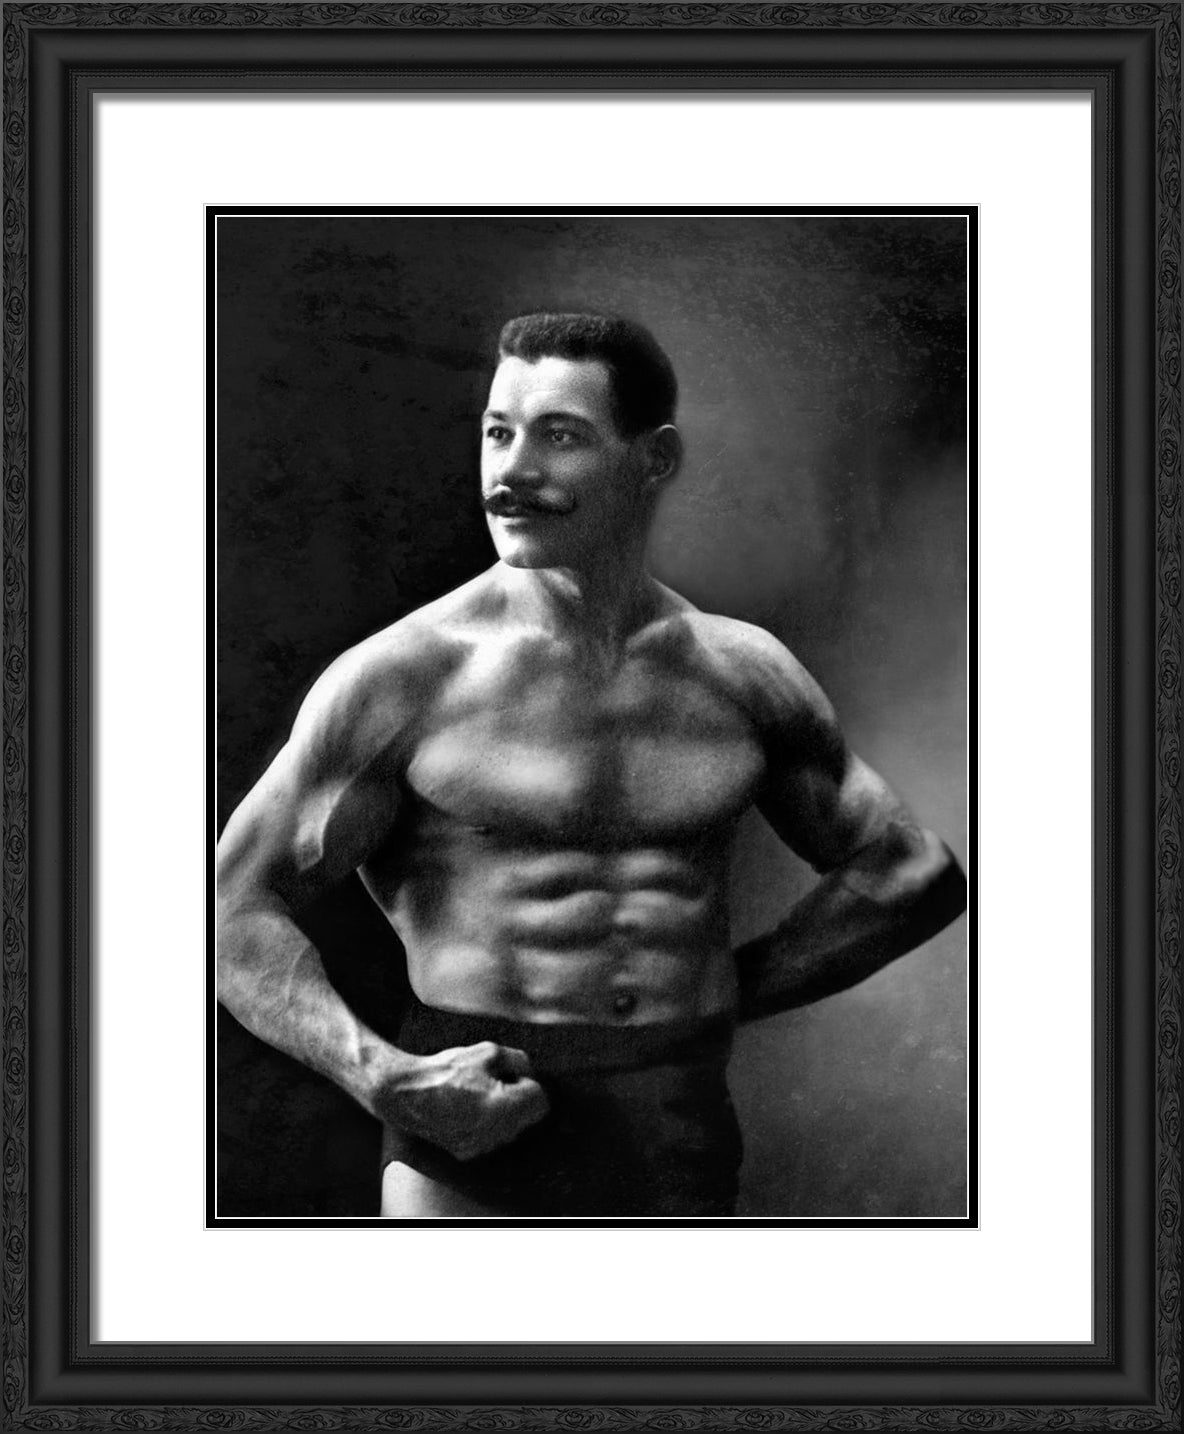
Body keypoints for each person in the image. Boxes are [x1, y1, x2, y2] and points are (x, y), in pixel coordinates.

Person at [215, 311, 968, 1218]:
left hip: (676, 1119)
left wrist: (723, 996)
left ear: (654, 459)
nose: (512, 472)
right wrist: (381, 1077)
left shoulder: (740, 672)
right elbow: (229, 907)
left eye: (560, 437)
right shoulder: (406, 677)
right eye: (498, 434)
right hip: (477, 1127)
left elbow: (909, 874)